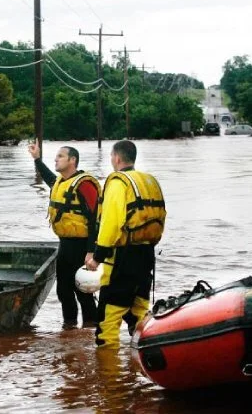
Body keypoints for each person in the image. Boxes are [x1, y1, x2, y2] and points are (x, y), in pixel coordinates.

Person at [85, 140, 166, 349]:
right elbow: (160, 217)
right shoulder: (149, 181)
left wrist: (97, 257)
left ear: (117, 158)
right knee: (139, 312)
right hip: (147, 255)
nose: (111, 160)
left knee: (107, 323)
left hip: (122, 259)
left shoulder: (118, 183)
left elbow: (111, 224)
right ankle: (141, 370)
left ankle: (109, 377)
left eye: (111, 156)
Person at [28, 139, 99, 328]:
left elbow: (95, 220)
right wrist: (37, 159)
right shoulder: (61, 182)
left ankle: (90, 328)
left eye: (60, 156)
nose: (56, 159)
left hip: (82, 245)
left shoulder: (85, 185)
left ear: (72, 160)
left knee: (83, 291)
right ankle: (69, 328)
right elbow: (50, 180)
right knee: (63, 291)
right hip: (65, 245)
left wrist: (91, 252)